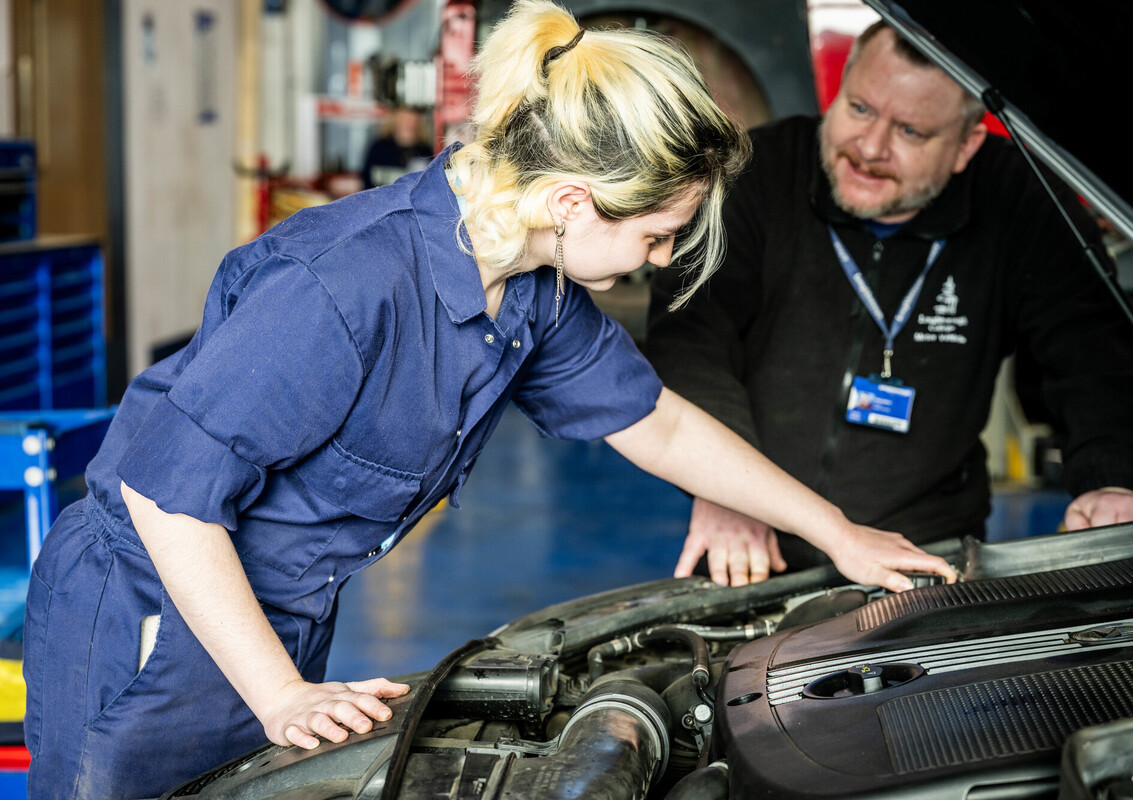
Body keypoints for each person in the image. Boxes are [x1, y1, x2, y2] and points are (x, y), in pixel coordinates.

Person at [23, 5, 957, 798]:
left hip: (279, 612)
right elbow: (167, 497)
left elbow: (657, 421)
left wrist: (838, 533)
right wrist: (280, 694)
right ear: (572, 202)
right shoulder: (346, 284)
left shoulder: (531, 287)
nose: (665, 260)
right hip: (154, 613)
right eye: (661, 234)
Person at [645, 21, 1133, 589]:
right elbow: (691, 342)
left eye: (911, 132)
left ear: (966, 144)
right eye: (860, 109)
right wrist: (725, 486)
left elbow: (1094, 352)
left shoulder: (1023, 200)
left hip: (927, 553)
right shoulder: (758, 175)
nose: (870, 148)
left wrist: (1117, 478)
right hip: (753, 539)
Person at [360, 104, 435, 189]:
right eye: (405, 115)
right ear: (395, 117)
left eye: (413, 114)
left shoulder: (426, 152)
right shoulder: (379, 149)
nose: (409, 120)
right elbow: (367, 183)